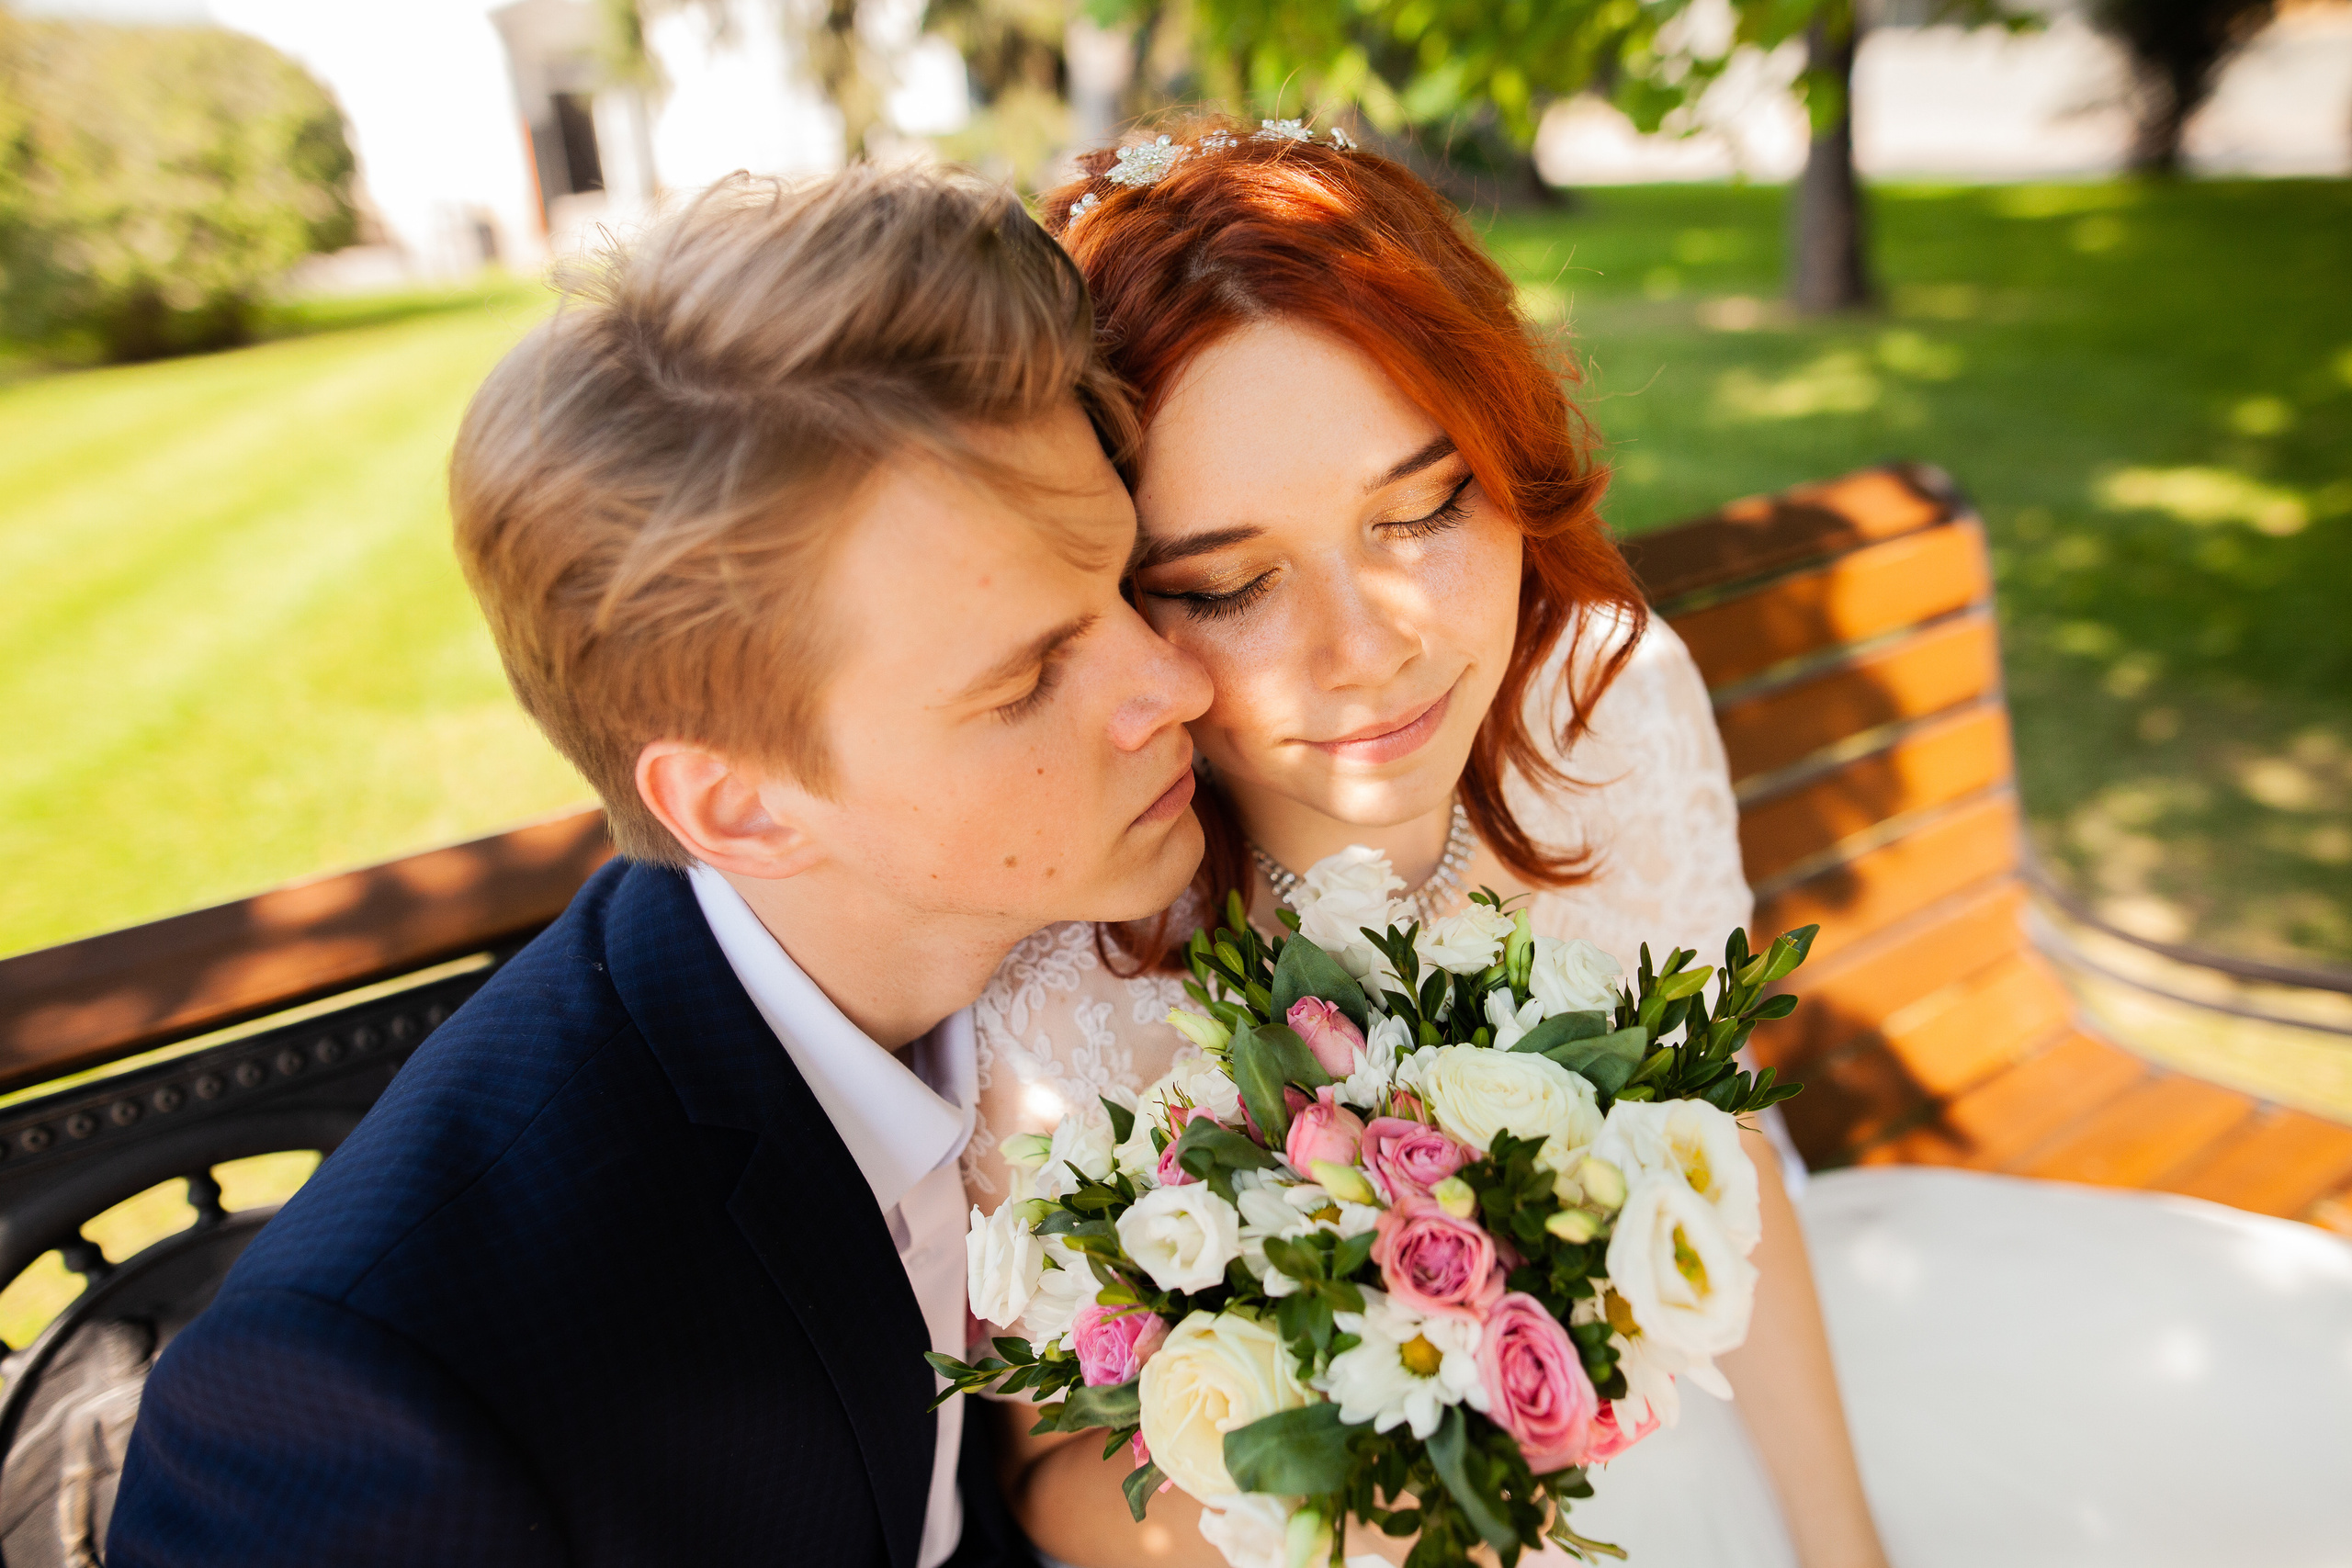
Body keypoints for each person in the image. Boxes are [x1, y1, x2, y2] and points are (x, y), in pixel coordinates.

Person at [107, 165, 1213, 1567]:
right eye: (1030, 674)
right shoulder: (368, 1401)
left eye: (1124, 582)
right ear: (738, 808)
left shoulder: (1038, 954)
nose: (1172, 681)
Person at [963, 119, 1893, 1568]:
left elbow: (1729, 1162)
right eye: (1230, 584)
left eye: (1423, 507)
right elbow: (1064, 1476)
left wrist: (1851, 1553)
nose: (1367, 655)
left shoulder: (1615, 707)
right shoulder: (1048, 961)